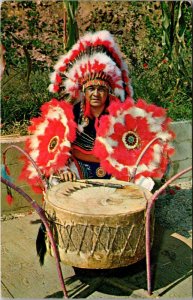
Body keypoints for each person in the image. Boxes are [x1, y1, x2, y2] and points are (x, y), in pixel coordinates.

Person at [48, 30, 133, 183]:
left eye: (101, 89)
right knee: (56, 181)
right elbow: (56, 147)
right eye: (91, 89)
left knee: (144, 180)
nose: (96, 94)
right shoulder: (71, 112)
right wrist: (63, 168)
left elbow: (131, 146)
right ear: (84, 91)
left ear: (108, 92)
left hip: (113, 168)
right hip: (80, 168)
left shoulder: (120, 113)